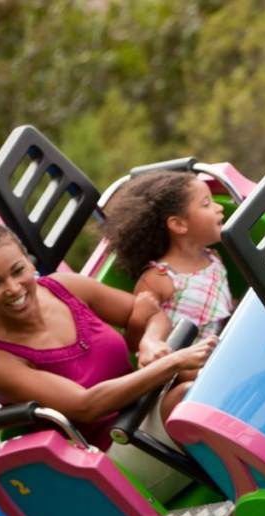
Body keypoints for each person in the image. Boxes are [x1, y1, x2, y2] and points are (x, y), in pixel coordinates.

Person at [0, 224, 215, 501]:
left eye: (17, 270)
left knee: (196, 375)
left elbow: (152, 315)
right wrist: (171, 363)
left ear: (27, 261)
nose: (12, 288)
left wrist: (150, 342)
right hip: (111, 460)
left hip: (143, 406)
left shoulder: (64, 287)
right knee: (184, 396)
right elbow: (87, 406)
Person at [99, 169, 233, 411]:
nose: (219, 209)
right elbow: (133, 342)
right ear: (179, 224)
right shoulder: (159, 278)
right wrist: (140, 316)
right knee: (189, 373)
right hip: (179, 369)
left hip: (216, 349)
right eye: (207, 204)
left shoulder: (212, 257)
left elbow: (221, 306)